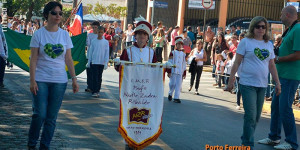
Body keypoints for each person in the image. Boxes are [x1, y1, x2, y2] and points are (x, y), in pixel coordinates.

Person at [27, 2, 79, 150]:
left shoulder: (64, 35)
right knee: (40, 114)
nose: (58, 16)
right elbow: (34, 59)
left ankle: (45, 146)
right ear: (46, 15)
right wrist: (32, 81)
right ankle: (31, 144)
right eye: (54, 13)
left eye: (60, 13)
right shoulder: (38, 34)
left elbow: (68, 59)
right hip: (40, 79)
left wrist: (74, 79)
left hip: (59, 81)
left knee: (51, 118)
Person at [226, 16, 281, 150]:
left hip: (262, 85)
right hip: (247, 83)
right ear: (253, 28)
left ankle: (246, 139)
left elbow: (272, 65)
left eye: (263, 27)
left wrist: (277, 83)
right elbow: (237, 62)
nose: (261, 29)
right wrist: (231, 80)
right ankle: (247, 144)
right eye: (258, 26)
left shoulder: (268, 44)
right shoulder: (246, 42)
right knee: (250, 115)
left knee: (256, 117)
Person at [258, 6, 300, 150]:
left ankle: (292, 142)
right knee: (275, 107)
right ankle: (274, 137)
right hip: (282, 76)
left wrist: (278, 59)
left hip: (290, 76)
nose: (280, 16)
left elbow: (298, 54)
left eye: (281, 14)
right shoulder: (291, 30)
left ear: (287, 14)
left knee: (285, 108)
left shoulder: (298, 29)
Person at [114, 20, 157, 150]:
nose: (141, 37)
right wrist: (118, 63)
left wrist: (165, 69)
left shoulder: (151, 52)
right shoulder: (128, 51)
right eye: (139, 34)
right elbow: (120, 69)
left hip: (146, 92)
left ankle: (140, 139)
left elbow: (156, 70)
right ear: (135, 36)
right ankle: (128, 139)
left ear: (147, 38)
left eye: (144, 35)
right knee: (130, 114)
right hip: (131, 90)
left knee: (143, 115)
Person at [86, 26, 109, 98]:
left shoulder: (105, 42)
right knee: (94, 76)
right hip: (94, 62)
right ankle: (94, 91)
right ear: (97, 32)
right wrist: (89, 61)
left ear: (103, 33)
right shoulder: (93, 41)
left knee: (99, 77)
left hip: (101, 62)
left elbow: (106, 53)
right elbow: (90, 52)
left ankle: (97, 90)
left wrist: (106, 63)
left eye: (101, 32)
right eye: (99, 32)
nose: (100, 33)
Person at [167, 36, 186, 103]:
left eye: (181, 44)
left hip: (180, 72)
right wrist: (169, 71)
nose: (179, 45)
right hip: (173, 71)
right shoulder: (173, 52)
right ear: (176, 45)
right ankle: (170, 93)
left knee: (178, 84)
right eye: (178, 44)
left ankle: (176, 97)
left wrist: (184, 72)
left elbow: (184, 63)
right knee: (172, 84)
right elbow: (170, 62)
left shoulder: (183, 54)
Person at [85, 21, 100, 93]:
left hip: (97, 57)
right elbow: (88, 44)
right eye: (93, 27)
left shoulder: (100, 36)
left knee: (96, 73)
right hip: (89, 56)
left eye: (96, 27)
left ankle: (96, 87)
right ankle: (89, 86)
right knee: (89, 72)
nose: (94, 29)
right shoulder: (90, 35)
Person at [0, 15, 8, 88]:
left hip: (1, 51)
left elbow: (3, 41)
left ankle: (1, 81)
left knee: (2, 67)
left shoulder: (2, 28)